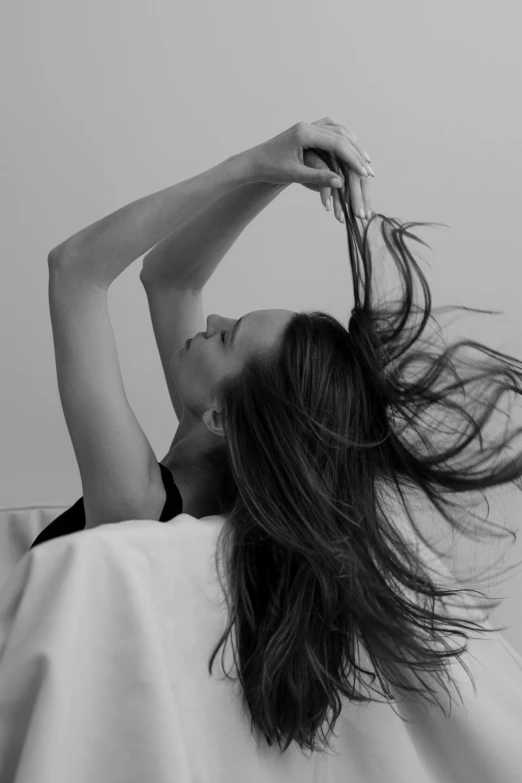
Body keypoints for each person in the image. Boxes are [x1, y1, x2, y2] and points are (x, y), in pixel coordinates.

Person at [30, 116, 522, 755]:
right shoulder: (213, 448)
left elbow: (75, 270)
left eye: (226, 337)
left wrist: (250, 165)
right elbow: (171, 278)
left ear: (224, 416)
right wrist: (274, 170)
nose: (210, 317)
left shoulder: (136, 503)